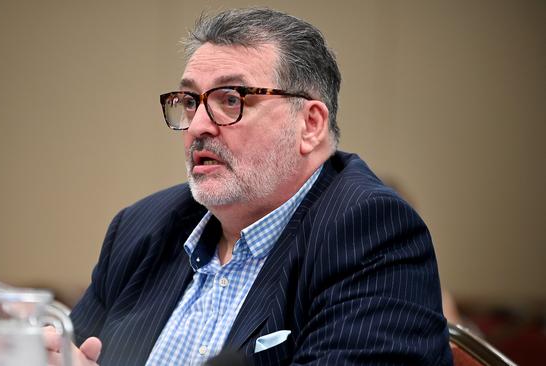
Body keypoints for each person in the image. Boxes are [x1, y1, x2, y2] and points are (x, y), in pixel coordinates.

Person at [45, 7, 453, 366]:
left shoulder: (370, 233)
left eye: (230, 99)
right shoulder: (141, 228)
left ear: (309, 125)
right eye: (189, 101)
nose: (199, 126)